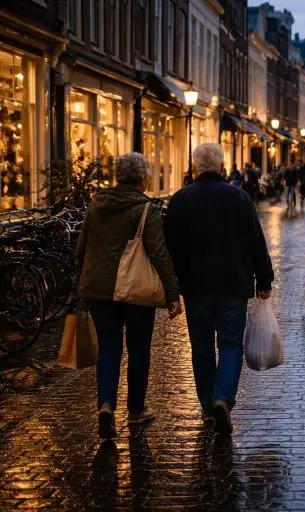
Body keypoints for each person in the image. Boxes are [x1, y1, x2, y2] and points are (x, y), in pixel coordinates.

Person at [165, 143, 274, 436]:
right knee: (229, 345)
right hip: (233, 284)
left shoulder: (180, 199)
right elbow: (255, 240)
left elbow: (170, 248)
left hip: (195, 285)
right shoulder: (239, 198)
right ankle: (222, 398)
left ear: (195, 166)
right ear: (222, 165)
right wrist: (264, 278)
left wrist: (170, 288)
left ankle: (206, 408)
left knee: (201, 347)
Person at [76, 152, 182, 439]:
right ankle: (135, 410)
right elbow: (158, 253)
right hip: (136, 291)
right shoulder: (146, 209)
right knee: (138, 350)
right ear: (143, 178)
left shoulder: (97, 204)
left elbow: (82, 246)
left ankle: (106, 405)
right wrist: (173, 293)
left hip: (99, 290)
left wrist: (82, 283)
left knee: (109, 349)